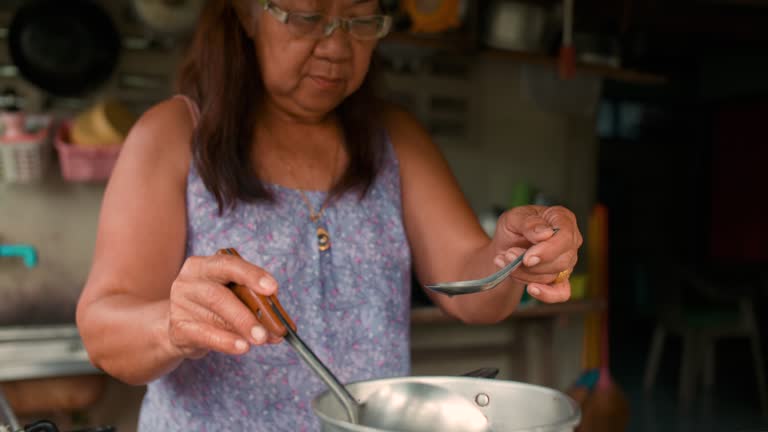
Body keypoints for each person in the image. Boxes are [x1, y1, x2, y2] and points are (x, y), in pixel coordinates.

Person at [75, 0, 583, 430]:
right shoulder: (173, 135)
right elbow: (103, 330)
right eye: (307, 16)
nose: (337, 46)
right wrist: (172, 324)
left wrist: (515, 255)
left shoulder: (394, 138)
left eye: (361, 20)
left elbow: (476, 297)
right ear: (249, 14)